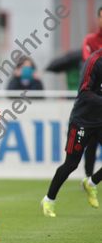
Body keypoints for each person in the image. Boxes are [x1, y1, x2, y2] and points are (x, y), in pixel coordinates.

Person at [41, 48, 102, 217]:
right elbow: (83, 91)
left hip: (100, 120)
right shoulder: (94, 61)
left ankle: (91, 182)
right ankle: (48, 199)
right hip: (82, 120)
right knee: (71, 164)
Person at [80, 6, 102, 178]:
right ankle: (89, 176)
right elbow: (89, 63)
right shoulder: (90, 40)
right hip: (94, 98)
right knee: (92, 140)